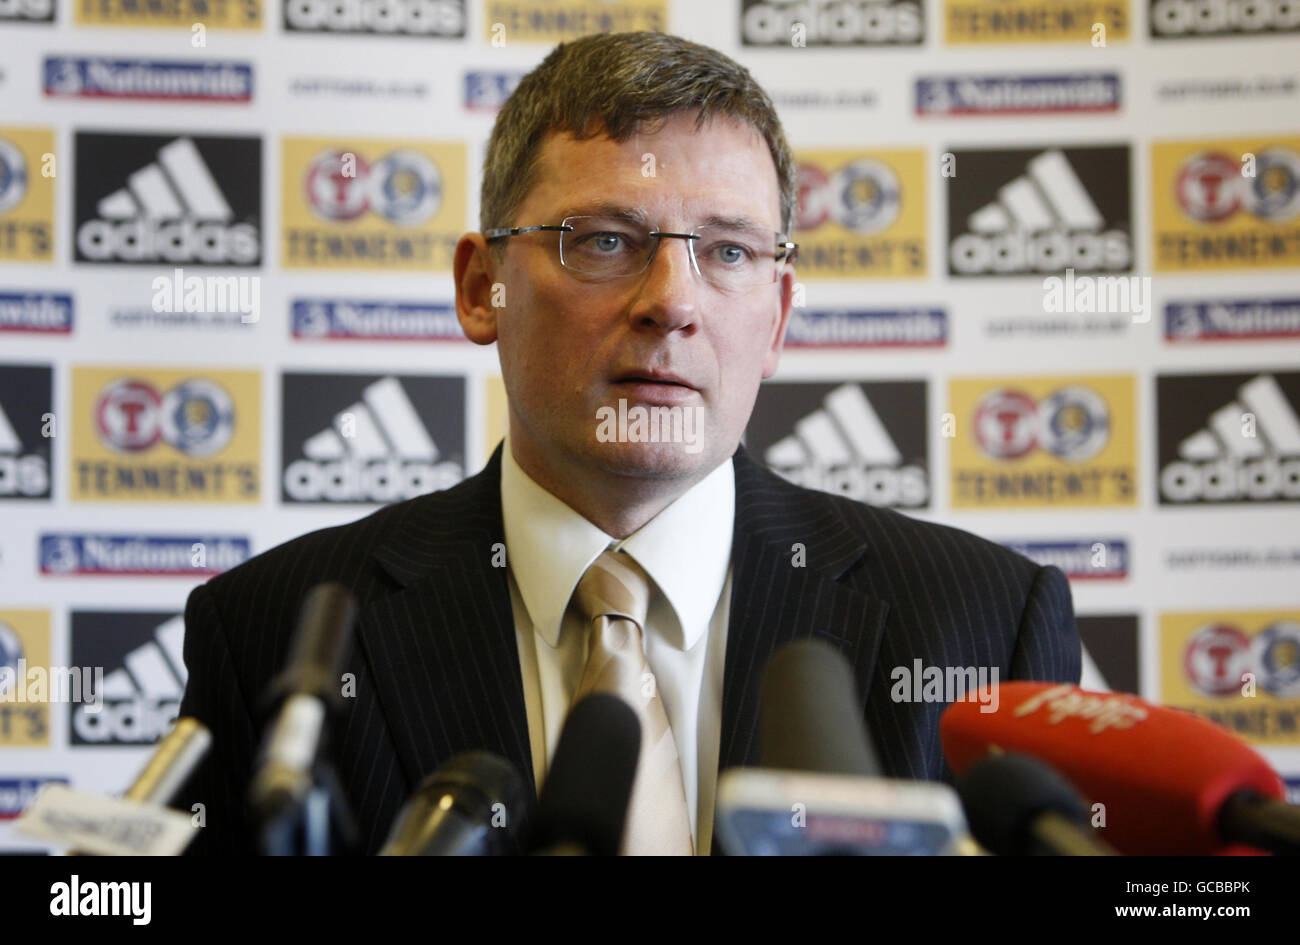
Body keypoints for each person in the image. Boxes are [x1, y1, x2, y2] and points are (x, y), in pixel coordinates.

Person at [176, 30, 1080, 856]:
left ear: (777, 320)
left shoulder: (988, 625)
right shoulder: (270, 631)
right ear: (480, 287)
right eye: (605, 240)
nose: (672, 302)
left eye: (727, 252)